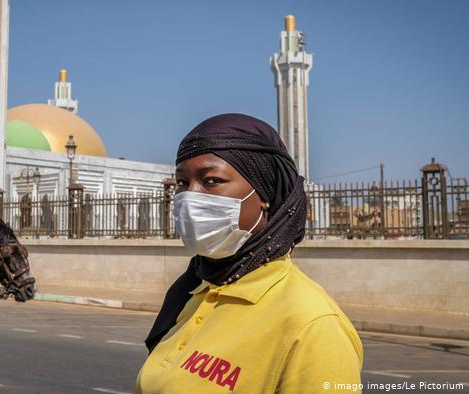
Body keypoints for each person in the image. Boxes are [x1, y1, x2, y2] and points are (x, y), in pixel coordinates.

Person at [136, 114, 362, 393]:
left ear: (264, 194)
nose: (191, 197)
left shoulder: (311, 325)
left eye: (211, 181)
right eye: (183, 183)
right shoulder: (192, 290)